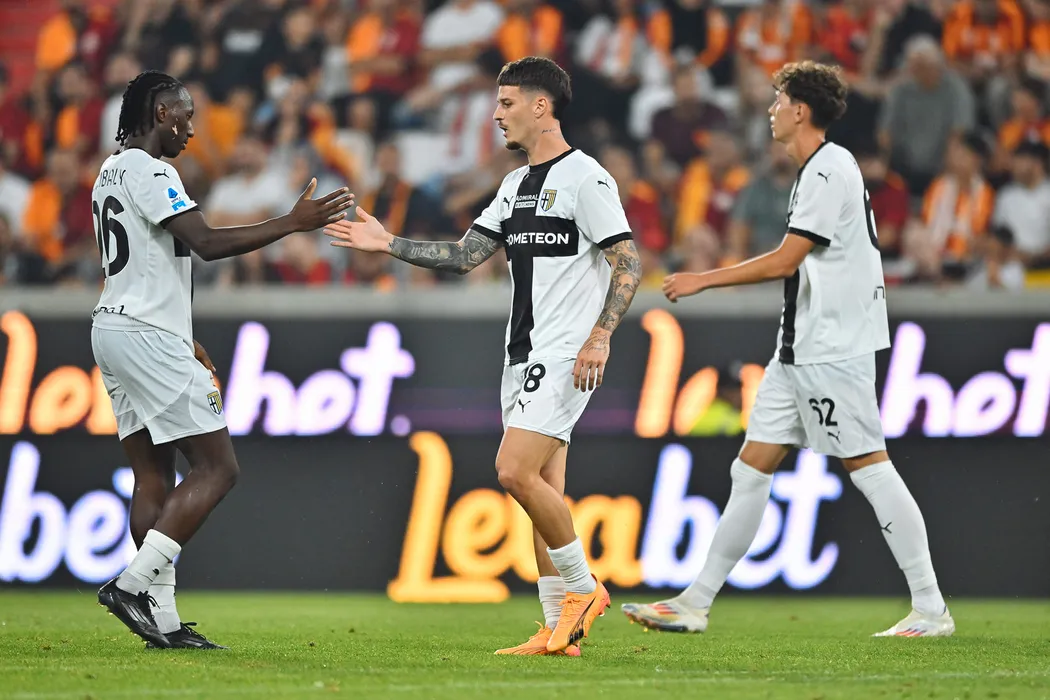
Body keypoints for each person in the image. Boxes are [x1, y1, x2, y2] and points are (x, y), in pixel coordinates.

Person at [622, 61, 954, 638]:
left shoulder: (827, 168)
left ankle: (930, 608)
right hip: (798, 349)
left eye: (778, 101)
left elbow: (786, 259)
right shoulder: (818, 169)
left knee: (869, 467)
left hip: (832, 349)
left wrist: (704, 279)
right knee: (750, 468)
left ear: (801, 110)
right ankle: (695, 602)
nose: (771, 111)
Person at [325, 56, 642, 655]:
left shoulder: (587, 179)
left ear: (541, 107)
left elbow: (627, 262)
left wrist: (600, 336)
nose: (496, 114)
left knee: (512, 470)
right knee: (543, 487)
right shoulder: (514, 186)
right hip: (519, 355)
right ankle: (556, 629)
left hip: (565, 351)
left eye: (506, 103)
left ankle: (583, 589)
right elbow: (465, 256)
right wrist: (387, 243)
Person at [91, 70, 352, 648]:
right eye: (185, 116)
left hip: (114, 326)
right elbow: (206, 244)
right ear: (161, 113)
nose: (191, 129)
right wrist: (292, 223)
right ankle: (132, 586)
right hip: (146, 333)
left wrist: (182, 332)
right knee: (218, 468)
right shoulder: (152, 170)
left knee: (152, 474)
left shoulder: (110, 171)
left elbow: (152, 259)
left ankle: (161, 620)